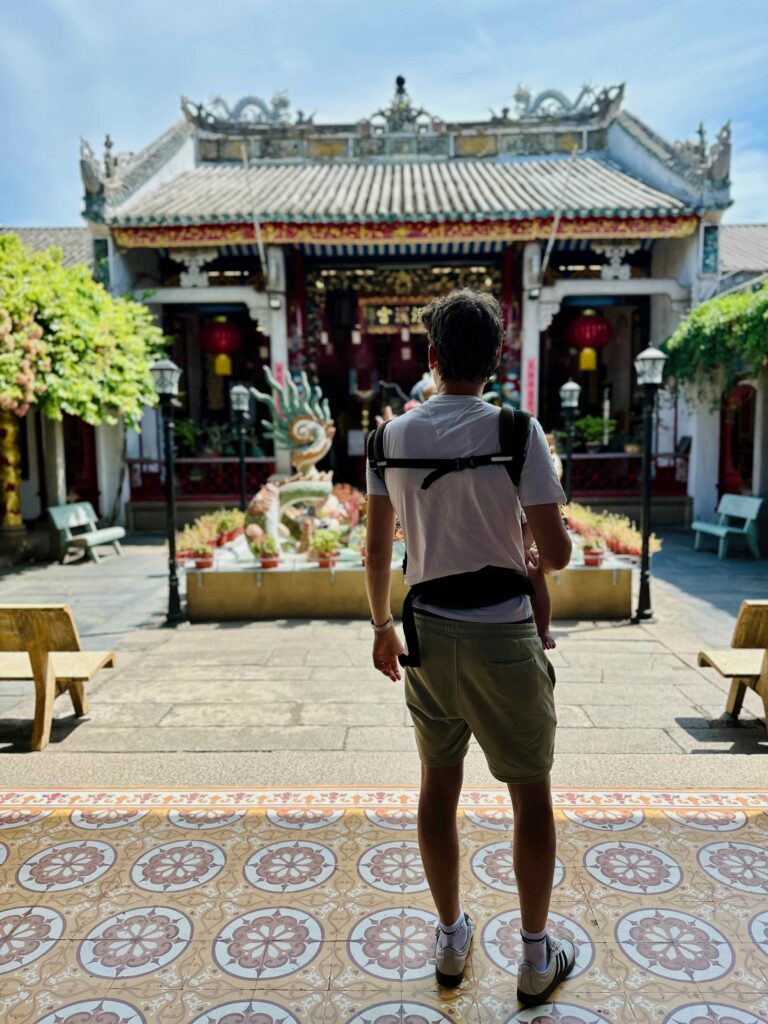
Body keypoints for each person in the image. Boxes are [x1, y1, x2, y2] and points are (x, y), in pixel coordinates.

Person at [365, 288, 574, 1007]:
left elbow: (374, 553)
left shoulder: (391, 436)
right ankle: (534, 957)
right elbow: (556, 553)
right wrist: (533, 540)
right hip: (505, 637)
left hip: (425, 636)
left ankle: (452, 940)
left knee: (437, 784)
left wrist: (379, 626)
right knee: (530, 795)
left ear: (429, 360)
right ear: (495, 362)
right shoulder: (520, 429)